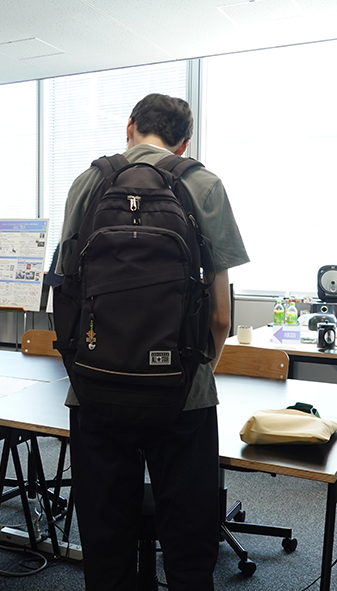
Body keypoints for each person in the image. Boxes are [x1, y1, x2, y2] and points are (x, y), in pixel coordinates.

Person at [56, 93, 248, 590]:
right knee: (189, 541)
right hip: (183, 394)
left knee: (105, 540)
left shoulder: (88, 181)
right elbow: (221, 315)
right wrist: (198, 371)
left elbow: (67, 288)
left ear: (130, 126)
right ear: (184, 143)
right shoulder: (203, 184)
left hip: (95, 387)